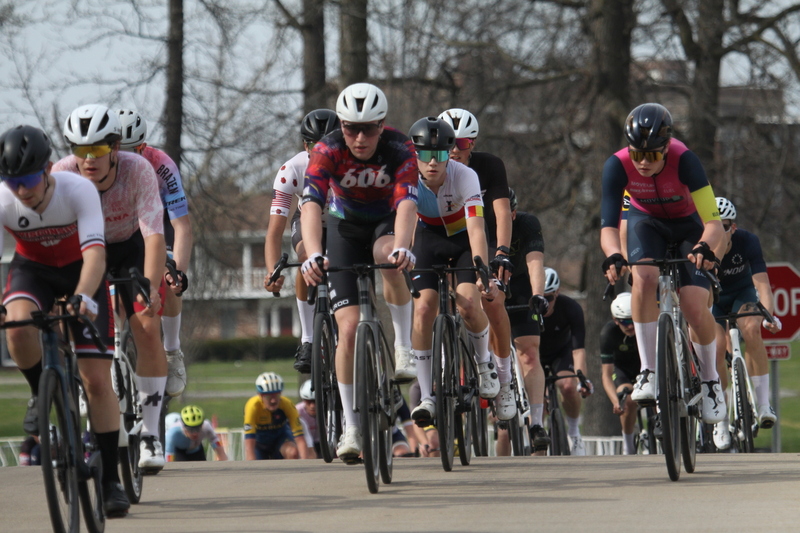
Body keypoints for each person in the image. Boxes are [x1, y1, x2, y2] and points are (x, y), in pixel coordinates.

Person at [0, 125, 129, 516]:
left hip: (81, 272)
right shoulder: (4, 201)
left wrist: (83, 297)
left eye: (28, 180)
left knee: (95, 380)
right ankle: (42, 393)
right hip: (33, 271)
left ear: (48, 170)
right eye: (12, 181)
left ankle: (109, 481)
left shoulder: (77, 190)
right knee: (17, 326)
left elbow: (96, 256)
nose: (21, 190)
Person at [299, 83, 418, 463]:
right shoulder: (327, 149)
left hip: (384, 222)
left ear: (382, 125)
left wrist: (403, 245)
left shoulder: (401, 149)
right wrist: (313, 254)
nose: (360, 137)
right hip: (343, 227)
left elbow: (406, 206)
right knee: (347, 329)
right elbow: (311, 205)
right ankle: (351, 427)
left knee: (390, 259)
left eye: (369, 128)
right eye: (352, 128)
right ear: (342, 126)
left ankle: (403, 347)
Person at [55, 104, 170, 473]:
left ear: (116, 146)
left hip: (127, 248)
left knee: (148, 326)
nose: (89, 159)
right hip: (82, 251)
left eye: (99, 150)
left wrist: (149, 287)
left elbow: (154, 235)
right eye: (80, 150)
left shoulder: (139, 170)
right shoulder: (62, 174)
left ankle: (151, 434)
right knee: (65, 323)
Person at [600, 102, 727, 426]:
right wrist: (615, 254)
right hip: (647, 223)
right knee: (643, 277)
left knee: (695, 306)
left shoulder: (686, 161)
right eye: (637, 154)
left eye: (653, 156)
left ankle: (711, 381)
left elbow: (714, 224)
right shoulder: (617, 165)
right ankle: (649, 370)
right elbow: (609, 228)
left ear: (666, 148)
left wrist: (704, 247)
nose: (643, 163)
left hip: (690, 226)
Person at [405, 116, 508, 427]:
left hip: (462, 239)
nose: (433, 162)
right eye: (425, 155)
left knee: (468, 305)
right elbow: (405, 221)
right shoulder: (407, 176)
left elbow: (477, 228)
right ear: (415, 156)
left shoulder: (465, 176)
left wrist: (482, 269)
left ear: (450, 153)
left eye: (440, 155)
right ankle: (426, 395)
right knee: (423, 309)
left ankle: (483, 363)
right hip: (427, 238)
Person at [439, 108, 513, 405]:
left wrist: (502, 253)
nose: (456, 150)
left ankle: (505, 381)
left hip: (483, 235)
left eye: (464, 144)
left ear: (474, 144)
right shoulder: (431, 166)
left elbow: (502, 212)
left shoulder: (490, 166)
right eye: (450, 143)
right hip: (443, 237)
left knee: (492, 301)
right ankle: (442, 368)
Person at [117, 109, 192, 398]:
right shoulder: (99, 168)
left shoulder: (161, 165)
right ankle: (113, 351)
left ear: (143, 147)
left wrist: (179, 270)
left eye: (133, 151)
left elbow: (182, 226)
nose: (126, 159)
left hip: (158, 224)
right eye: (119, 151)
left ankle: (172, 351)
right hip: (123, 228)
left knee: (169, 277)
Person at [264, 109, 340, 373]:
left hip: (343, 222)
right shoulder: (291, 170)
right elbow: (275, 230)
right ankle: (308, 338)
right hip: (308, 220)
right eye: (314, 145)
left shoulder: (352, 164)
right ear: (305, 145)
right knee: (306, 256)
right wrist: (272, 270)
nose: (321, 151)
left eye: (329, 144)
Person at [710, 197, 782, 450]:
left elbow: (762, 284)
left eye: (726, 226)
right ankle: (720, 418)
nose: (722, 232)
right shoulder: (702, 245)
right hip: (713, 298)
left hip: (742, 294)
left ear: (734, 227)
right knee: (716, 347)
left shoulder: (747, 241)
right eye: (716, 227)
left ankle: (763, 404)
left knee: (752, 328)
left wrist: (769, 316)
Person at [501, 187, 551, 453]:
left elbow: (535, 263)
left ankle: (536, 423)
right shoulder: (476, 222)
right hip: (488, 280)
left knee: (530, 353)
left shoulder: (527, 223)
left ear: (514, 212)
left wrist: (538, 295)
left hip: (519, 283)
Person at [538, 267, 593, 455]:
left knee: (568, 386)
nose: (544, 305)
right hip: (533, 355)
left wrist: (582, 381)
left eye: (549, 298)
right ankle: (537, 430)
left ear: (557, 293)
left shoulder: (571, 308)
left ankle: (574, 432)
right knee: (536, 396)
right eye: (540, 299)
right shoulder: (527, 309)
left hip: (562, 352)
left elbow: (578, 351)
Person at [600, 292, 641, 455]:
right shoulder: (608, 333)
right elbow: (606, 375)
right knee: (628, 401)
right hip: (621, 370)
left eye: (632, 320)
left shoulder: (645, 326)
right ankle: (628, 444)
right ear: (615, 320)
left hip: (644, 367)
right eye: (624, 322)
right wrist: (615, 401)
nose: (630, 326)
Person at [244, 372, 309, 460]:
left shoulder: (287, 404)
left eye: (277, 395)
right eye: (268, 397)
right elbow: (249, 440)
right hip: (259, 443)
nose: (273, 401)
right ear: (260, 395)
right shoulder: (252, 406)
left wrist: (304, 464)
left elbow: (300, 438)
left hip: (280, 439)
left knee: (293, 452)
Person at [295, 379, 319, 458]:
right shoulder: (297, 411)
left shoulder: (330, 411)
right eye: (308, 401)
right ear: (303, 400)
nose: (312, 406)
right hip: (306, 442)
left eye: (316, 401)